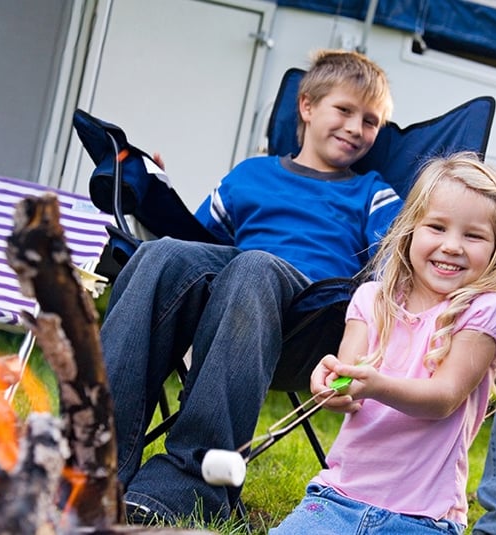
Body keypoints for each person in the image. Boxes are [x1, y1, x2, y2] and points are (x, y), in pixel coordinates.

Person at [100, 49, 402, 524]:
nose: (356, 128)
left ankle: (187, 488)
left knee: (255, 265)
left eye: (371, 121)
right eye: (344, 110)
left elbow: (393, 262)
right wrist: (155, 203)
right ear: (307, 106)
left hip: (312, 323)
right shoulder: (248, 176)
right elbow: (195, 248)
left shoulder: (371, 192)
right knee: (158, 255)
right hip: (229, 310)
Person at [270, 152, 496, 534]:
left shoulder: (484, 312)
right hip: (338, 498)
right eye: (437, 227)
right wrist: (331, 384)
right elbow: (346, 390)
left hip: (424, 517)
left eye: (472, 235)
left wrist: (375, 384)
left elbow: (444, 397)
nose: (452, 246)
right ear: (410, 230)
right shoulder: (370, 300)